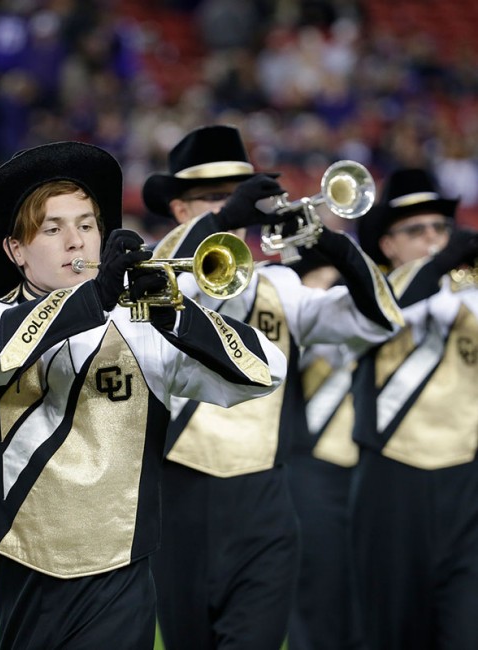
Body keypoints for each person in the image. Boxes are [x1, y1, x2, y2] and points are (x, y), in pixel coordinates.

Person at [0, 141, 287, 650]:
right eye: (52, 229)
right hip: (29, 569)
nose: (75, 242)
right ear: (16, 249)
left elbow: (266, 371)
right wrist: (92, 298)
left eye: (86, 225)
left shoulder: (141, 325)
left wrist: (178, 317)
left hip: (123, 573)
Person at [141, 124, 403, 650]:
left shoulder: (280, 286)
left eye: (237, 194)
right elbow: (171, 293)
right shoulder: (151, 279)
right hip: (179, 496)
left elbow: (378, 322)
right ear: (179, 210)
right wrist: (224, 219)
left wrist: (329, 242)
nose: (229, 205)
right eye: (212, 197)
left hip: (266, 503)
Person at [351, 167, 478, 650]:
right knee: (394, 633)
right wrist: (443, 260)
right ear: (388, 245)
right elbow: (389, 313)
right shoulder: (365, 295)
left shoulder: (469, 298)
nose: (432, 239)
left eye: (440, 229)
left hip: (465, 485)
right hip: (393, 483)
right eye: (416, 231)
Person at [285, 250, 364, 650]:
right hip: (310, 471)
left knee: (371, 603)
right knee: (317, 598)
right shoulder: (288, 320)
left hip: (371, 473)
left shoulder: (361, 313)